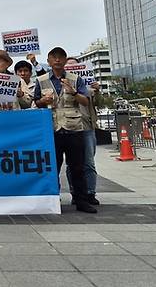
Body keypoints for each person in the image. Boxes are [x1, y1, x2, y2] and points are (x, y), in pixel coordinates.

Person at [34, 47, 96, 214]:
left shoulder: (76, 79)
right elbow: (35, 103)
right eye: (54, 57)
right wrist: (43, 100)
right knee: (52, 167)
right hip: (52, 129)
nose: (57, 60)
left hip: (74, 128)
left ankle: (81, 199)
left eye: (61, 57)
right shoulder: (41, 80)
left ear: (65, 59)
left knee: (78, 166)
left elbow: (85, 101)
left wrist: (73, 91)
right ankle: (53, 199)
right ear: (48, 61)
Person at [65, 57, 102, 206]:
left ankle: (90, 192)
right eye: (69, 67)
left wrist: (98, 91)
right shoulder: (62, 85)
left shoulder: (89, 88)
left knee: (89, 162)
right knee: (71, 163)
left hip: (87, 127)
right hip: (70, 127)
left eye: (75, 67)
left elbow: (99, 104)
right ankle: (75, 192)